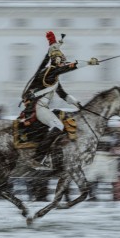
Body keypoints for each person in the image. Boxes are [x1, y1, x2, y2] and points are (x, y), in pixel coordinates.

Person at [21, 31, 99, 166]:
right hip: (37, 106)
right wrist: (88, 62)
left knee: (60, 116)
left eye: (62, 59)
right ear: (54, 59)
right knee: (58, 125)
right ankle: (38, 157)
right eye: (60, 59)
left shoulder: (53, 78)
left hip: (43, 106)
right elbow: (66, 68)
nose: (62, 61)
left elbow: (62, 94)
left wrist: (77, 103)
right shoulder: (49, 72)